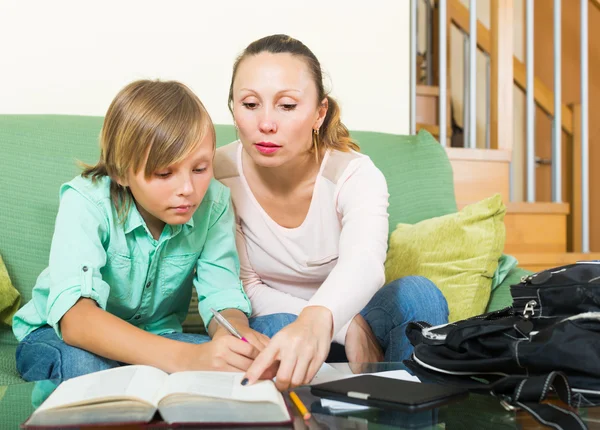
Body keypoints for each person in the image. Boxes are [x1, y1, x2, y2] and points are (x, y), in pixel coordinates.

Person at [215, 34, 449, 391]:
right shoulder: (217, 173)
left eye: (287, 106)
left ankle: (402, 413)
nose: (266, 123)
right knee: (275, 326)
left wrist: (328, 318)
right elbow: (247, 287)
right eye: (250, 104)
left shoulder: (354, 174)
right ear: (233, 108)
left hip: (367, 331)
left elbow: (365, 262)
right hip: (295, 329)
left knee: (419, 294)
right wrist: (340, 325)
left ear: (319, 113)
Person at [13, 79, 271, 382]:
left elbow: (222, 295)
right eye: (164, 173)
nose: (188, 189)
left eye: (200, 169)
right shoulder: (86, 201)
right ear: (121, 171)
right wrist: (190, 359)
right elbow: (76, 321)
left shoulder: (213, 203)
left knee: (254, 347)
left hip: (159, 338)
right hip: (61, 337)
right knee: (83, 367)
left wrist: (237, 339)